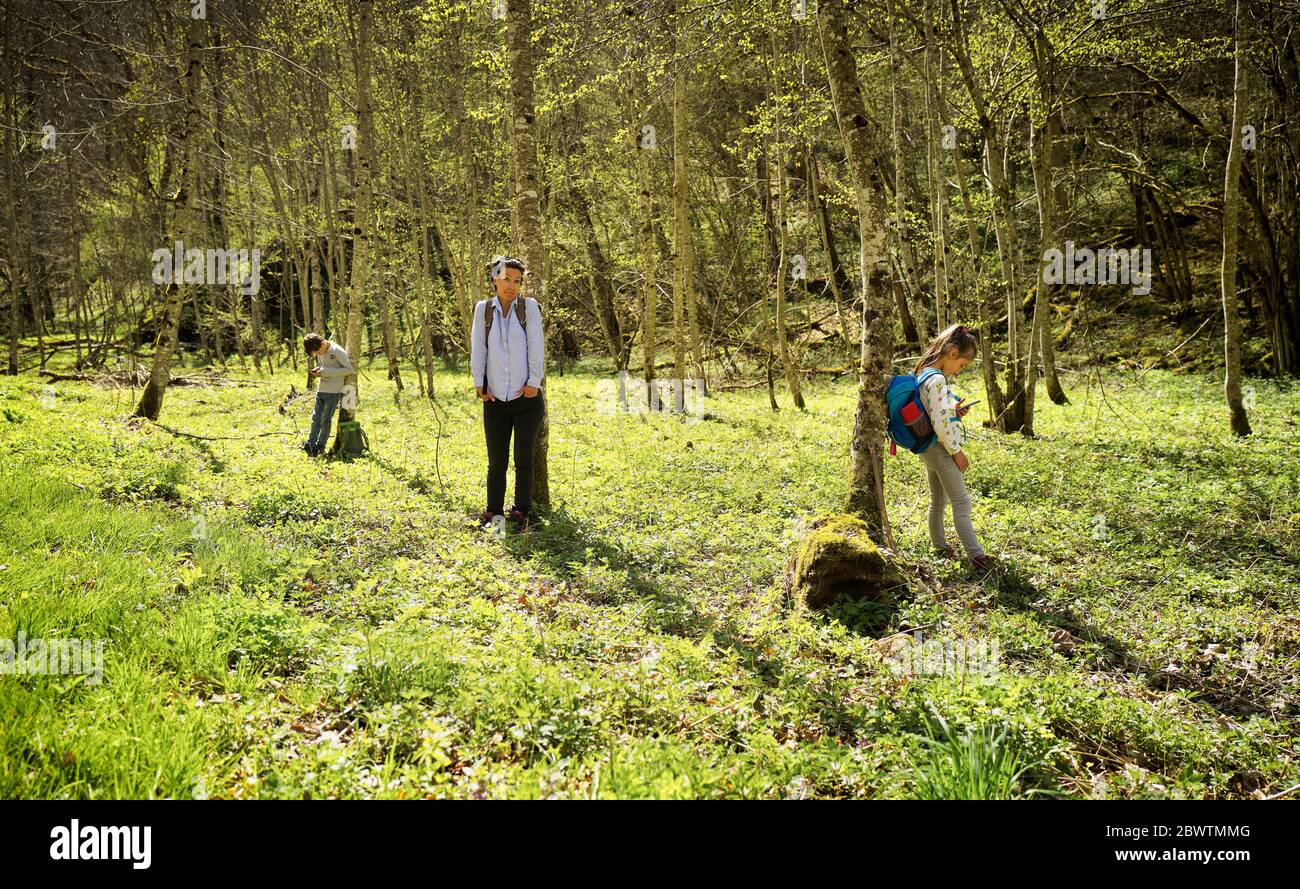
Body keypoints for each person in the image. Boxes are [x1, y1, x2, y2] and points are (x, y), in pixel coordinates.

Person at [470, 256, 546, 533]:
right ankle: (493, 512)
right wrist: (479, 381)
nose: (511, 286)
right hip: (494, 399)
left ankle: (521, 511)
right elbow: (478, 346)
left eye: (517, 281)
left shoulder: (529, 308)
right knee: (497, 461)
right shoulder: (483, 310)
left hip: (526, 399)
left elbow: (536, 346)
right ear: (494, 279)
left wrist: (533, 382)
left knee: (524, 458)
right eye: (506, 279)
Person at [912, 323, 992, 573]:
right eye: (962, 365)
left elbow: (933, 411)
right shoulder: (937, 379)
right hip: (940, 447)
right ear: (953, 353)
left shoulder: (924, 373)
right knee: (961, 502)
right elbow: (939, 422)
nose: (959, 370)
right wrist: (956, 452)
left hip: (926, 446)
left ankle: (939, 546)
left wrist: (954, 410)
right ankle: (978, 558)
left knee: (938, 500)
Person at [302, 333, 354, 457]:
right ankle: (311, 443)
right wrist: (319, 370)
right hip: (321, 389)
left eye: (317, 352)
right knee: (316, 417)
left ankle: (320, 446)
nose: (318, 355)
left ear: (322, 343)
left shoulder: (336, 351)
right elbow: (325, 368)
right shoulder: (320, 350)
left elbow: (349, 369)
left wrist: (325, 372)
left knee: (325, 420)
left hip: (333, 391)